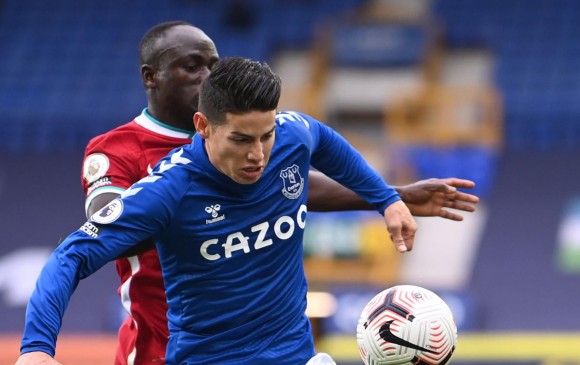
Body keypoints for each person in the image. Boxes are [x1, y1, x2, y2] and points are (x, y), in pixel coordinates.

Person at [79, 21, 479, 365]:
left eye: (212, 65)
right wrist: (183, 216)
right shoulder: (118, 151)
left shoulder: (235, 137)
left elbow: (289, 185)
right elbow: (106, 226)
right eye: (191, 66)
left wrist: (390, 196)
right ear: (151, 76)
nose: (206, 76)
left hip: (253, 341)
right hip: (160, 345)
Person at [17, 56, 420, 365]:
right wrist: (37, 347)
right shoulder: (169, 190)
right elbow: (72, 254)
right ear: (203, 126)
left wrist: (386, 198)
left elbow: (324, 139)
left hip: (294, 355)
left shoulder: (291, 135)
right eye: (242, 139)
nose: (258, 154)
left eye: (267, 135)